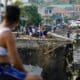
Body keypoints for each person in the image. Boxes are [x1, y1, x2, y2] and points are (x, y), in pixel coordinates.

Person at [0, 5, 42, 80]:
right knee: (36, 78)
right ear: (16, 21)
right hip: (3, 70)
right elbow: (15, 61)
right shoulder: (7, 34)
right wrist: (26, 72)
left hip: (5, 68)